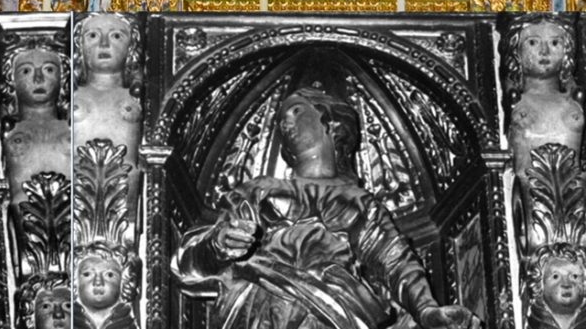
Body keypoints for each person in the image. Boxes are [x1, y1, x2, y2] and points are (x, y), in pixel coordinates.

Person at [173, 86, 475, 329]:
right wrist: (217, 245)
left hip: (341, 310)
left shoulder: (360, 202)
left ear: (330, 120)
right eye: (281, 119)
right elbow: (187, 266)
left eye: (296, 111)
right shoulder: (258, 190)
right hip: (264, 309)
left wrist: (426, 310)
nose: (285, 123)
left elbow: (394, 260)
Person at [505, 15, 582, 178]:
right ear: (516, 50)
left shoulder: (575, 100)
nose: (544, 52)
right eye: (533, 42)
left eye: (554, 43)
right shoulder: (515, 100)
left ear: (567, 50)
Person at [3, 42, 71, 205]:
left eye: (49, 70)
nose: (38, 79)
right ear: (11, 80)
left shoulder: (72, 128)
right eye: (26, 71)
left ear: (62, 78)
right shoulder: (6, 132)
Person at [72, 15, 141, 167]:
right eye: (93, 35)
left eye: (116, 36)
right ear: (79, 44)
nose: (104, 44)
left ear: (131, 46)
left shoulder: (139, 98)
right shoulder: (70, 97)